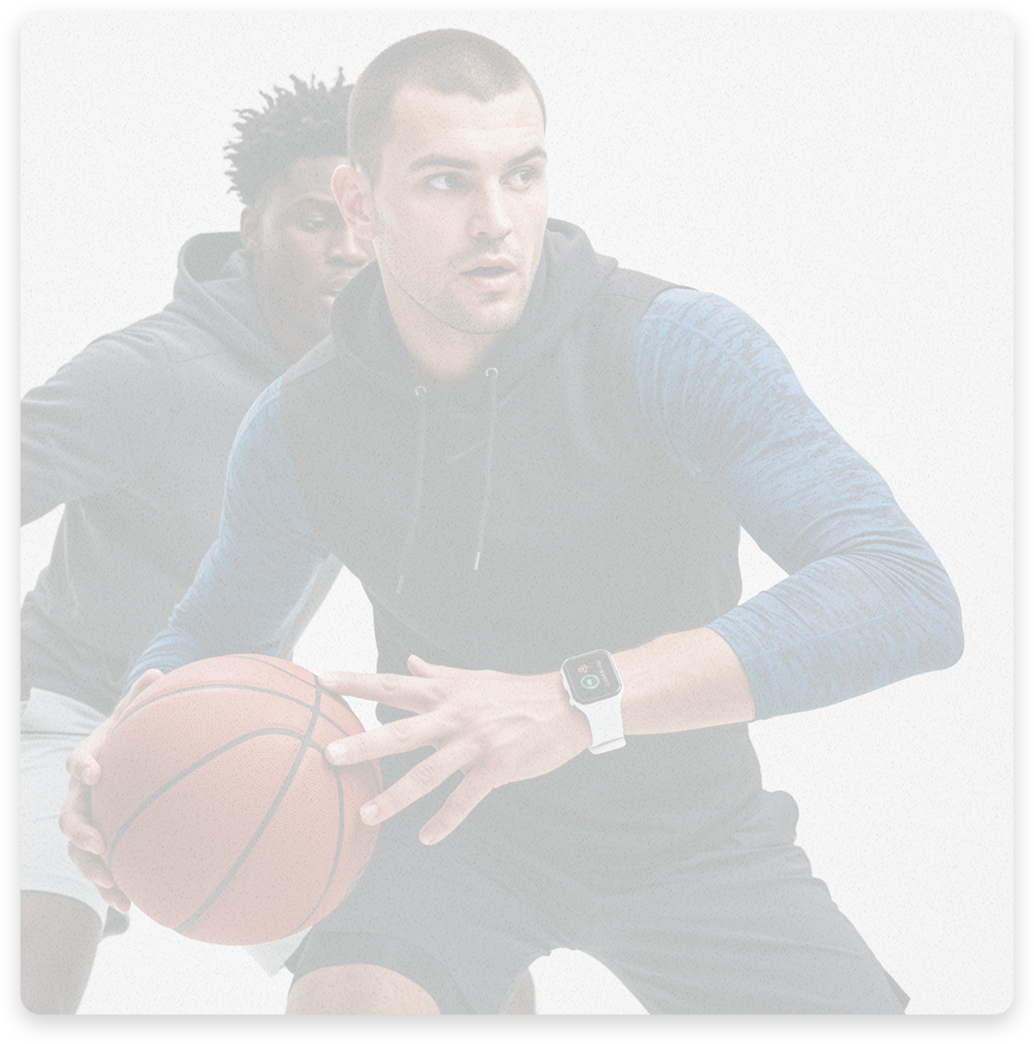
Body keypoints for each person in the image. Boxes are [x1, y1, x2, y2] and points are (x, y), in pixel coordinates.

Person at [62, 29, 965, 1015]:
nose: (496, 221)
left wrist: (575, 700)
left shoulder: (672, 345)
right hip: (447, 832)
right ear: (361, 203)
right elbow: (213, 635)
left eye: (521, 175)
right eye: (446, 182)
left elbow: (901, 591)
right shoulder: (298, 423)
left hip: (691, 834)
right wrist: (120, 763)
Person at [21, 71, 373, 1014]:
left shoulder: (383, 388)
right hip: (64, 708)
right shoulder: (153, 371)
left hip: (236, 725)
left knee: (431, 969)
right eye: (314, 220)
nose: (348, 249)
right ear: (253, 227)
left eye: (366, 221)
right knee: (37, 970)